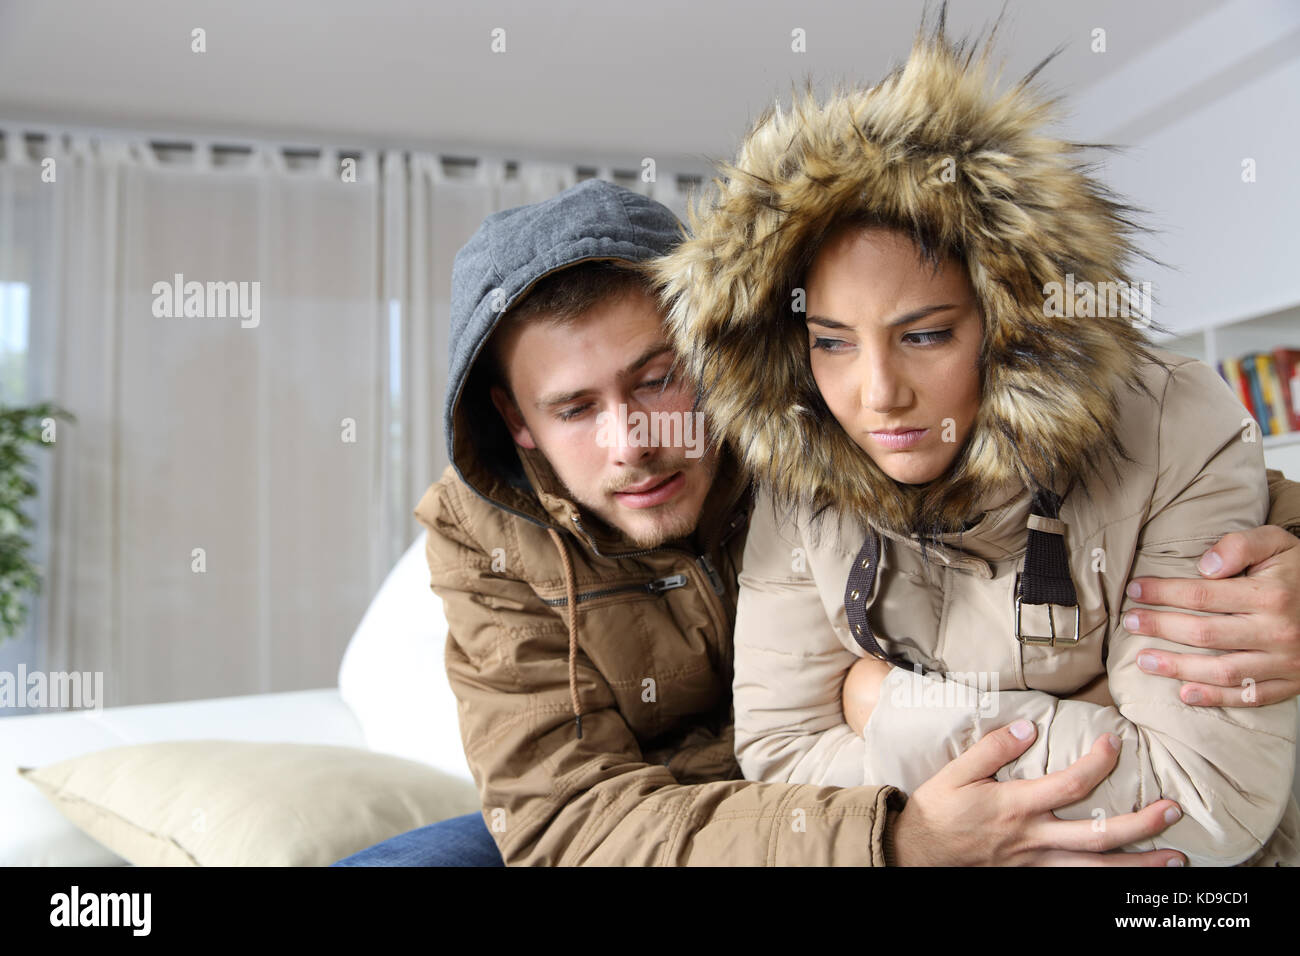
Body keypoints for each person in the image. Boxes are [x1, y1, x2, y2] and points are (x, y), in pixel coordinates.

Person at [334, 175, 1300, 867]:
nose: (633, 442)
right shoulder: (483, 537)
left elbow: (1200, 490)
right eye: (575, 408)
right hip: (694, 829)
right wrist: (900, 841)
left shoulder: (825, 423)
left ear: (720, 354)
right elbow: (565, 827)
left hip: (873, 780)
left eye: (658, 379)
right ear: (519, 423)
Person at [646, 15, 1300, 866]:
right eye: (832, 342)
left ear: (1010, 324)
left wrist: (880, 703)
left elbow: (1206, 805)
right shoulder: (798, 472)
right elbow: (779, 759)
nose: (877, 395)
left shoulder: (1175, 425)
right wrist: (949, 827)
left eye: (925, 335)